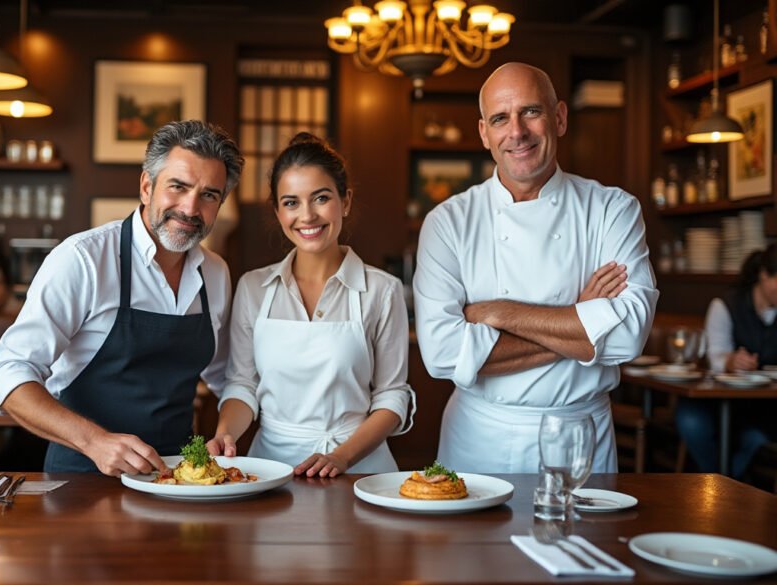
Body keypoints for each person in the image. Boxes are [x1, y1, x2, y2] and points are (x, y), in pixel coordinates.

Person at [412, 62, 659, 473]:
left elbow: (628, 336)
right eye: (500, 118)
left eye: (531, 111)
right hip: (479, 439)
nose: (517, 132)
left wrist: (499, 313)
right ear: (483, 134)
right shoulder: (448, 222)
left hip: (582, 438)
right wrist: (580, 324)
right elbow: (440, 354)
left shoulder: (612, 209)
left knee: (583, 540)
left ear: (559, 118)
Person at [0, 120, 244, 475]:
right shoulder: (83, 259)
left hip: (177, 480)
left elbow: (230, 376)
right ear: (146, 186)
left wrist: (226, 433)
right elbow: (9, 376)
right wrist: (94, 442)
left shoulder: (216, 273)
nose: (190, 208)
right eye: (178, 187)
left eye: (209, 195)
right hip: (81, 480)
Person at [207, 133, 415, 477]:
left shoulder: (382, 290)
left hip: (359, 469)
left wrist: (342, 458)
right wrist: (225, 431)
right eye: (291, 202)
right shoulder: (253, 287)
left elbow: (392, 397)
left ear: (345, 201)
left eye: (320, 198)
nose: (307, 215)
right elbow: (243, 384)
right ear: (277, 211)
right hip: (270, 471)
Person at [676, 245, 776, 478]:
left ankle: (722, 485)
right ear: (764, 275)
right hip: (720, 401)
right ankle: (719, 481)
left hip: (766, 407)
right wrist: (731, 361)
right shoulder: (725, 306)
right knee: (691, 419)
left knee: (756, 437)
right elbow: (715, 355)